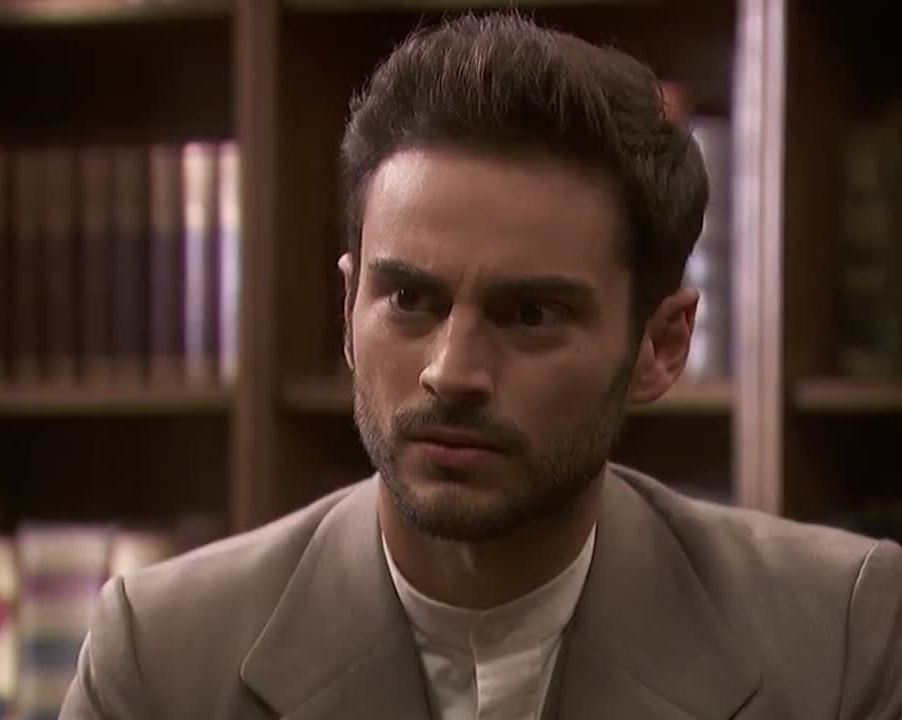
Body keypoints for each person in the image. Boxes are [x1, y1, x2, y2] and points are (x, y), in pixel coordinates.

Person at [62, 12, 901, 719]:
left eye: (530, 315)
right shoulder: (163, 656)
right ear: (349, 309)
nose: (451, 372)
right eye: (409, 300)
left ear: (661, 345)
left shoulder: (840, 637)